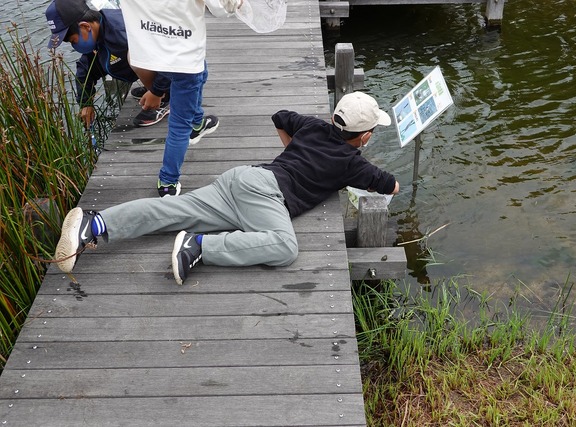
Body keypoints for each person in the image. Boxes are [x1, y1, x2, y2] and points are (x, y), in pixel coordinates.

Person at [54, 92, 400, 285]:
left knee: (172, 210)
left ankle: (95, 223)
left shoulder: (312, 126)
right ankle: (198, 246)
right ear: (366, 135)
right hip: (268, 196)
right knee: (284, 247)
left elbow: (280, 116)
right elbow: (391, 185)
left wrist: (292, 151)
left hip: (243, 178)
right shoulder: (352, 163)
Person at [118, 0, 241, 197]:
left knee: (202, 72)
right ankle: (168, 181)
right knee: (179, 126)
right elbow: (222, 8)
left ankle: (197, 122)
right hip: (184, 57)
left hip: (151, 51)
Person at [46, 0, 171, 128]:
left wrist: (157, 91)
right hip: (163, 67)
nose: (74, 45)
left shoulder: (123, 31)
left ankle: (166, 98)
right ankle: (156, 87)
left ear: (85, 26)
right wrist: (85, 103)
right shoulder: (98, 31)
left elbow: (170, 56)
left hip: (179, 69)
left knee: (133, 55)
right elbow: (85, 69)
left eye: (73, 40)